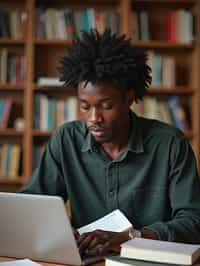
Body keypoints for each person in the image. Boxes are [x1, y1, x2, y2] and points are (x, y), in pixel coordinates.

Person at [20, 29, 200, 254]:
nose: (94, 118)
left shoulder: (171, 145)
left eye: (106, 106)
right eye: (85, 106)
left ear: (129, 98)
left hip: (150, 260)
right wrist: (59, 228)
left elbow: (194, 221)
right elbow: (31, 205)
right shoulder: (66, 140)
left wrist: (131, 238)